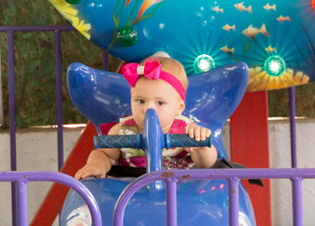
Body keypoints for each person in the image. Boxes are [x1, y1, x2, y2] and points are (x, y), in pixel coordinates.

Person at [75, 55, 217, 178]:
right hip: (133, 191)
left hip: (178, 191)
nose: (148, 109)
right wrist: (97, 164)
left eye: (160, 103)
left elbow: (206, 164)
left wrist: (201, 147)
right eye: (140, 101)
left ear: (179, 108)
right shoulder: (122, 131)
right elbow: (105, 154)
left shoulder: (187, 130)